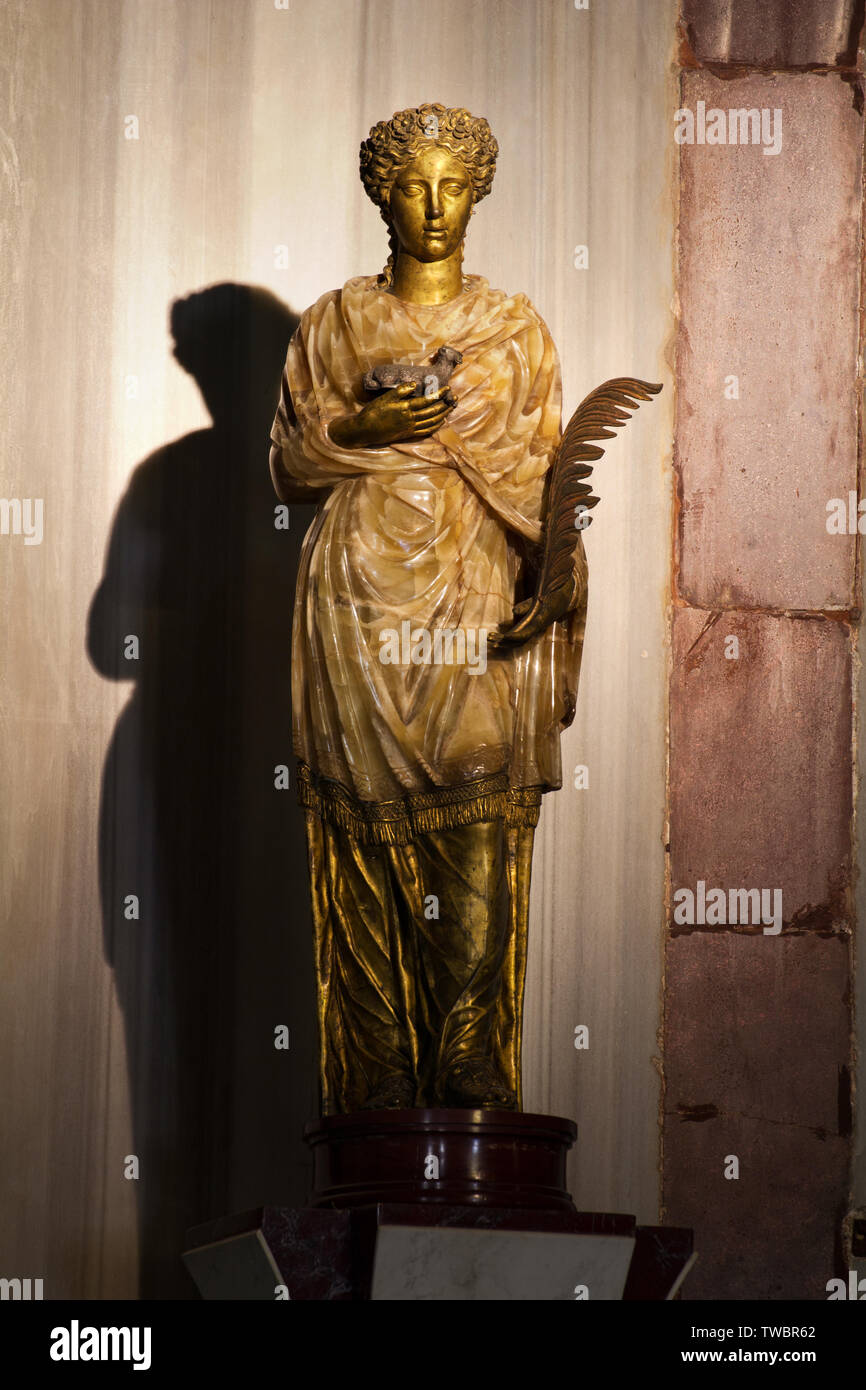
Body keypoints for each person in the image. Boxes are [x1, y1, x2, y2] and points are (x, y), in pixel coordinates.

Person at [269, 103, 587, 1114]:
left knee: (477, 817)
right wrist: (359, 424)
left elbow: (550, 483)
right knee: (362, 836)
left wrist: (555, 570)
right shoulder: (331, 323)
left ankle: (472, 1074)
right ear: (381, 193)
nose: (435, 206)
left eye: (453, 185)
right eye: (413, 185)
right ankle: (373, 1086)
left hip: (471, 595)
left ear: (478, 191)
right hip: (357, 596)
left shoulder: (513, 329)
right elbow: (286, 463)